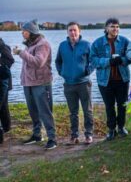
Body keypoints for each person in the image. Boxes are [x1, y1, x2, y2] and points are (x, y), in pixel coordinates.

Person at [13, 20, 57, 150]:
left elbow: (38, 62)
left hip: (41, 83)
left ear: (31, 32)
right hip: (29, 84)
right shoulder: (30, 45)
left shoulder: (43, 45)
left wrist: (21, 53)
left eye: (24, 31)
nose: (22, 33)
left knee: (45, 112)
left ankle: (52, 138)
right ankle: (37, 135)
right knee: (33, 111)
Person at [90, 18, 131, 141]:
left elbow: (130, 57)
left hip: (122, 79)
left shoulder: (124, 41)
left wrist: (122, 60)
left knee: (122, 105)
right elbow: (93, 60)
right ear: (106, 28)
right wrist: (109, 61)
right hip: (105, 81)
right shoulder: (97, 43)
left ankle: (121, 127)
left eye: (117, 27)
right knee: (109, 106)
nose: (115, 29)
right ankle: (111, 129)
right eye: (113, 26)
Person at [55, 22, 94, 144]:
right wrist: (62, 72)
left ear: (79, 31)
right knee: (73, 112)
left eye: (75, 30)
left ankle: (88, 134)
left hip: (84, 83)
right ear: (67, 32)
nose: (73, 32)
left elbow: (93, 61)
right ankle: (74, 135)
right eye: (70, 30)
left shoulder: (86, 45)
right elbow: (58, 61)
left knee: (87, 110)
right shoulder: (62, 46)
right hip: (69, 84)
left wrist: (87, 71)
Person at [0, 38, 14, 144]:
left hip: (3, 81)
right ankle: (6, 128)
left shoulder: (4, 47)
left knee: (3, 106)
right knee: (3, 106)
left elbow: (10, 60)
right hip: (3, 81)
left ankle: (6, 128)